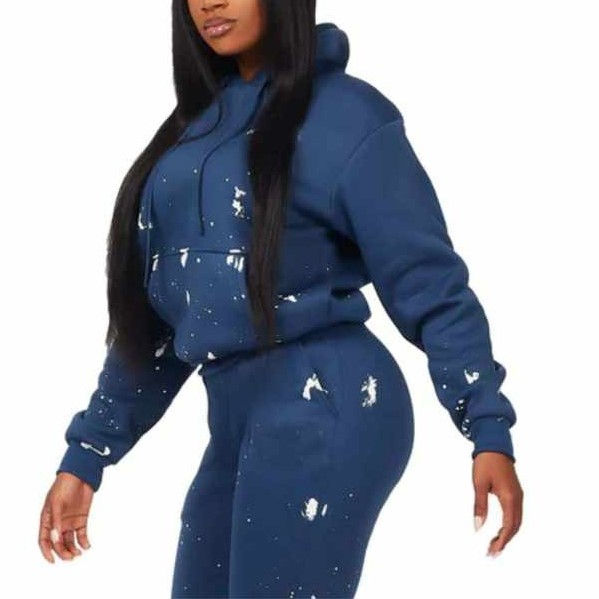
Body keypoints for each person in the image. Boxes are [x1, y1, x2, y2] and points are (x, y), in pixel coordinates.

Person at [39, 1, 524, 597]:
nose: (209, 2)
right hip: (237, 417)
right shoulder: (189, 136)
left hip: (332, 402)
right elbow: (160, 321)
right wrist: (86, 455)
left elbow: (427, 281)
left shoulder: (346, 116)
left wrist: (487, 427)